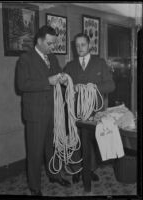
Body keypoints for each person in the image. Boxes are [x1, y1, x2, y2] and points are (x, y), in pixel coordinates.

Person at [16, 25, 71, 196]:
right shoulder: (25, 59)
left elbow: (58, 75)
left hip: (53, 111)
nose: (52, 47)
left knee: (52, 147)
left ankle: (54, 174)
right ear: (39, 41)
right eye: (49, 43)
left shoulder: (52, 58)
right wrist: (48, 81)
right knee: (35, 150)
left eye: (54, 43)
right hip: (35, 114)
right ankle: (35, 187)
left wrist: (63, 79)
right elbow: (22, 85)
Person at [61, 33, 115, 184]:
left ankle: (90, 170)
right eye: (77, 45)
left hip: (94, 111)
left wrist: (92, 88)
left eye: (83, 44)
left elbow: (111, 85)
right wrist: (71, 87)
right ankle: (77, 170)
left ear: (90, 45)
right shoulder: (70, 66)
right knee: (75, 139)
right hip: (75, 110)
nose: (80, 48)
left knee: (91, 141)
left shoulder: (100, 63)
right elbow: (63, 89)